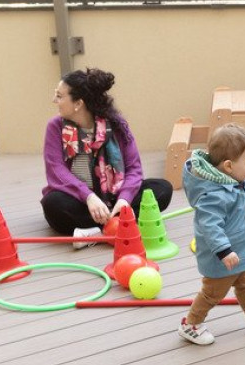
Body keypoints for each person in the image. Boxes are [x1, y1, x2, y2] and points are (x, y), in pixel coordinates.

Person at [40, 67, 172, 247]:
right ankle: (121, 225)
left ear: (78, 103)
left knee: (162, 189)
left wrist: (124, 199)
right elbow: (57, 170)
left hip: (116, 197)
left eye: (60, 96)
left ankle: (96, 231)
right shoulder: (55, 126)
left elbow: (134, 168)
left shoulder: (116, 123)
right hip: (82, 202)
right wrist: (89, 197)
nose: (54, 100)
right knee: (53, 204)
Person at [178, 123, 245, 346]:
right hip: (223, 258)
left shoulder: (231, 176)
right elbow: (210, 226)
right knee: (212, 294)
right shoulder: (213, 195)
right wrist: (224, 251)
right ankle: (190, 324)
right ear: (228, 166)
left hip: (239, 252)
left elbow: (241, 162)